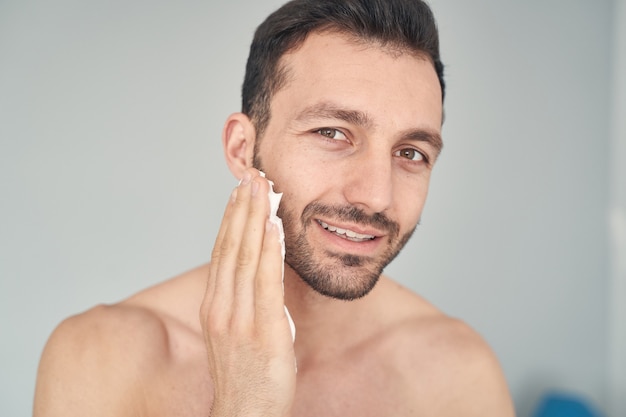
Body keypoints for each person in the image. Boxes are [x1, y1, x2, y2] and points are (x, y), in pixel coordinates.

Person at [33, 0, 516, 415]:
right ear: (243, 149)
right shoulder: (97, 360)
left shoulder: (460, 375)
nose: (377, 196)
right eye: (332, 133)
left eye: (411, 153)